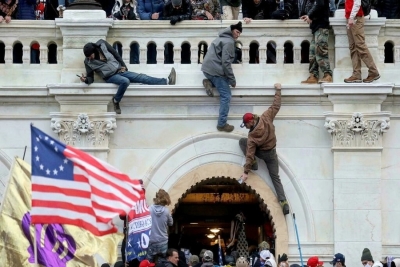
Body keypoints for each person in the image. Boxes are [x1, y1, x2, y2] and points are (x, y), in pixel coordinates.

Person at [81, 39, 176, 114]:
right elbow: (91, 78)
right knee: (125, 81)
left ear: (94, 51)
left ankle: (166, 81)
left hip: (120, 70)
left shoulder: (102, 44)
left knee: (141, 77)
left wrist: (124, 66)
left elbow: (115, 54)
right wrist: (85, 80)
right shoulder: (88, 62)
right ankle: (116, 100)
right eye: (88, 57)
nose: (90, 58)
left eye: (90, 55)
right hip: (110, 77)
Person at [238, 83, 289, 215]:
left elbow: (249, 154)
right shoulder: (266, 117)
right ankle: (283, 202)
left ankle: (255, 164)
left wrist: (246, 172)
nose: (246, 126)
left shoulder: (252, 137)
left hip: (262, 153)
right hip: (272, 154)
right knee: (275, 178)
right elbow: (276, 105)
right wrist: (278, 90)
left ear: (249, 122)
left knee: (242, 142)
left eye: (246, 124)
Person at [201, 21, 242, 133]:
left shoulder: (222, 37)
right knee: (226, 95)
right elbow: (226, 63)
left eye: (240, 33)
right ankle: (221, 124)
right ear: (232, 30)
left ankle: (209, 82)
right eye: (237, 32)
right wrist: (232, 80)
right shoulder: (229, 42)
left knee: (223, 82)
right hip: (214, 70)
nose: (238, 35)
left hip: (207, 69)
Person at [344, 0, 380, 83]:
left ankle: (373, 71)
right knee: (353, 47)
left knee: (360, 45)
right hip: (351, 18)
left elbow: (357, 3)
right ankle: (356, 74)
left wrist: (351, 17)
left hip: (355, 18)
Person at [300, 0, 333, 84]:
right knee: (313, 53)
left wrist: (310, 16)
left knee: (320, 51)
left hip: (321, 26)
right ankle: (313, 76)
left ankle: (327, 75)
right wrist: (309, 16)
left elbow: (319, 4)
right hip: (316, 27)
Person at [147, 189, 174, 262]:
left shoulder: (149, 209)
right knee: (162, 262)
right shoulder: (166, 211)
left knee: (149, 262)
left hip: (151, 240)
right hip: (162, 241)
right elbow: (171, 223)